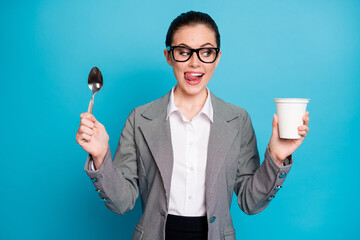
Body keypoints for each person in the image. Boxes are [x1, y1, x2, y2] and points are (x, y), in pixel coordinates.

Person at [75, 11, 310, 240]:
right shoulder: (139, 118)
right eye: (183, 52)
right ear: (168, 56)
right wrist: (100, 156)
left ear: (217, 57)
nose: (194, 63)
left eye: (206, 52)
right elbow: (122, 202)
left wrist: (276, 158)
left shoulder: (238, 120)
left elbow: (250, 202)